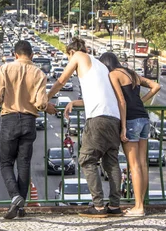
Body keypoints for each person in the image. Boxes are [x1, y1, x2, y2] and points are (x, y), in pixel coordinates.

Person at [47, 37, 126, 218]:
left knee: (86, 159)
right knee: (111, 162)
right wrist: (75, 102)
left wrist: (46, 97)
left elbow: (61, 81)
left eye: (68, 58)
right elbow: (99, 95)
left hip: (97, 118)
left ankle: (98, 206)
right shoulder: (100, 65)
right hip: (113, 117)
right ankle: (115, 206)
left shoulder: (78, 57)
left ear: (72, 52)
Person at [0, 40, 57, 219]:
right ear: (31, 55)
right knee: (24, 164)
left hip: (9, 119)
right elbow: (41, 102)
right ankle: (20, 207)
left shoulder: (5, 69)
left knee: (5, 163)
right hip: (28, 120)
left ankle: (15, 196)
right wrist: (44, 106)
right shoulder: (39, 73)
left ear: (15, 54)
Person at [99, 52, 160, 217]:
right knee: (142, 164)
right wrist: (142, 100)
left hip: (131, 120)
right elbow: (156, 86)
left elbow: (121, 101)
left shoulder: (113, 75)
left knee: (133, 166)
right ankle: (140, 204)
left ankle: (138, 207)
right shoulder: (131, 73)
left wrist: (123, 127)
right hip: (144, 118)